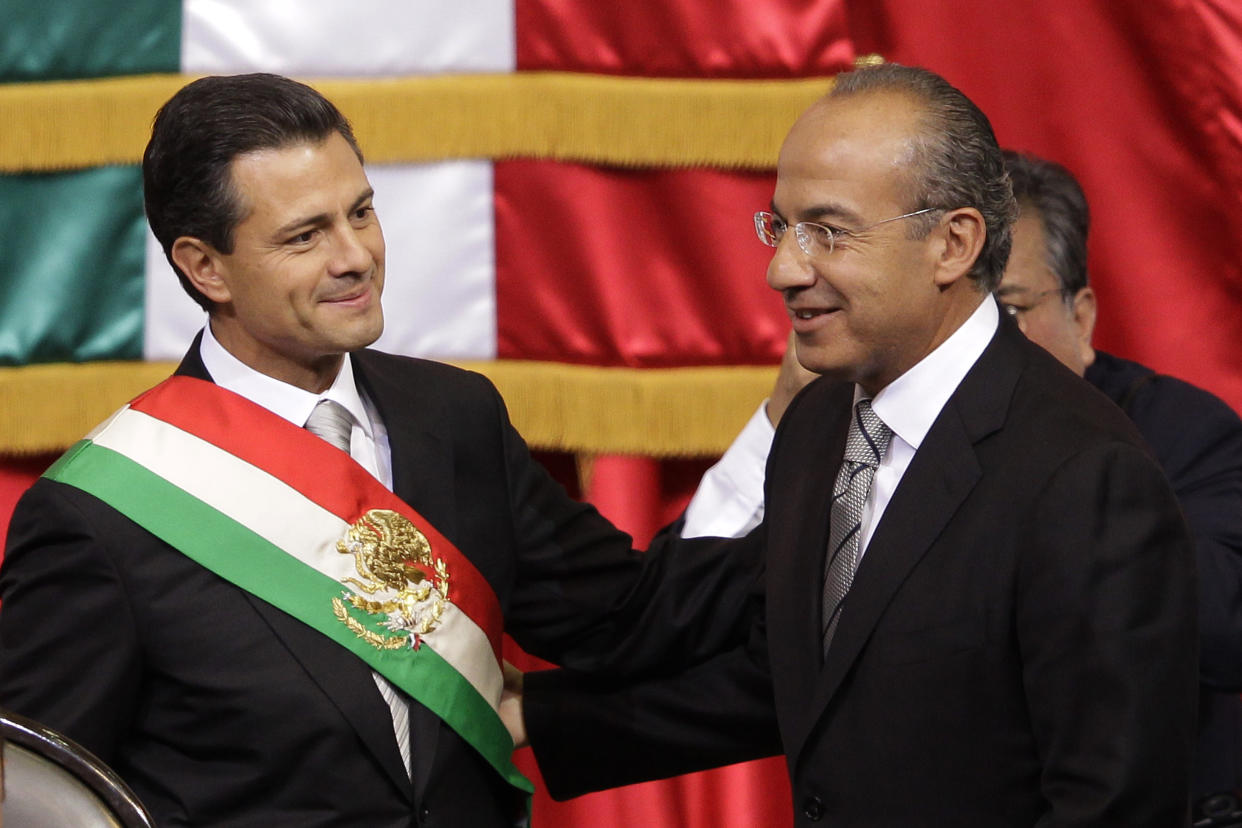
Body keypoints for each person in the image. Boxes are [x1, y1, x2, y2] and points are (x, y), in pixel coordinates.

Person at [0, 73, 760, 827]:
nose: (355, 256)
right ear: (205, 268)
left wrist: (826, 482)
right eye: (306, 236)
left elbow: (632, 623)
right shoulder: (101, 514)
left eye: (360, 213)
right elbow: (42, 800)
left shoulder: (456, 417)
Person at [516, 63, 1199, 825]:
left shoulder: (1086, 476)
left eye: (828, 233)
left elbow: (1114, 807)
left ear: (953, 243)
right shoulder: (817, 426)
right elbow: (807, 673)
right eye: (779, 226)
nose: (782, 269)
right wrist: (540, 714)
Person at [681, 149, 1242, 808]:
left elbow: (1219, 632)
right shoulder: (863, 432)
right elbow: (742, 624)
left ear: (1082, 318)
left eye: (1005, 308)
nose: (973, 336)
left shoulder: (1170, 436)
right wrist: (782, 414)